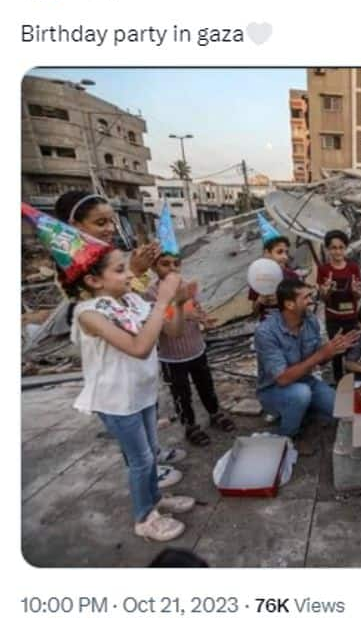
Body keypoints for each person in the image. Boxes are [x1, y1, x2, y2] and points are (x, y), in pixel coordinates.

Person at [21, 204, 197, 542]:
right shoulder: (89, 313)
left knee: (151, 452)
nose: (130, 274)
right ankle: (144, 517)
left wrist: (176, 302)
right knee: (141, 461)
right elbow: (138, 347)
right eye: (120, 270)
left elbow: (171, 332)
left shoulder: (130, 301)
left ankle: (156, 501)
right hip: (116, 400)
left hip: (142, 393)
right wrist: (161, 301)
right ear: (92, 279)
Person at [53, 192, 184, 482]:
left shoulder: (106, 255)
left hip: (137, 362)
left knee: (144, 409)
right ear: (75, 225)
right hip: (116, 366)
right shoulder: (78, 271)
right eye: (101, 222)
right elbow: (113, 308)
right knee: (133, 436)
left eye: (111, 221)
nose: (111, 228)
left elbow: (132, 304)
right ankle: (147, 477)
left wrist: (143, 278)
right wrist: (139, 276)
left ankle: (152, 457)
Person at [255, 279, 360, 455]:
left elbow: (318, 361)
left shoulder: (310, 320)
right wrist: (320, 354)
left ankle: (302, 413)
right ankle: (289, 435)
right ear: (289, 304)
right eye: (306, 297)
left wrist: (332, 351)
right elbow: (282, 378)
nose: (311, 300)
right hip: (273, 390)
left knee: (340, 409)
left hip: (306, 381)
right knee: (301, 394)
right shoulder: (266, 332)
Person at [145, 248, 236, 447]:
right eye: (165, 263)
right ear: (153, 267)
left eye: (176, 264)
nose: (172, 268)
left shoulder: (187, 286)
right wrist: (185, 314)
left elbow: (197, 309)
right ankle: (190, 426)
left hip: (196, 348)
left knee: (206, 385)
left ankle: (215, 413)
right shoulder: (151, 294)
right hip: (172, 357)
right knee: (181, 394)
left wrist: (204, 319)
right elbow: (160, 322)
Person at [317, 229, 361, 382]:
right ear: (328, 249)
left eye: (341, 247)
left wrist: (356, 291)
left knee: (353, 351)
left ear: (346, 248)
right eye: (333, 248)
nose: (337, 251)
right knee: (336, 351)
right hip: (333, 318)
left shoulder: (353, 268)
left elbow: (358, 295)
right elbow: (323, 297)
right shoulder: (323, 270)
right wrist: (326, 291)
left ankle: (354, 382)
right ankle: (339, 383)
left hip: (351, 316)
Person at [249, 213, 300, 321]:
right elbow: (254, 313)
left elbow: (301, 307)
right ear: (267, 253)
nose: (285, 257)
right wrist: (259, 301)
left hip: (290, 326)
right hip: (268, 330)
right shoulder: (257, 278)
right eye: (279, 252)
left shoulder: (293, 277)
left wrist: (283, 300)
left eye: (286, 252)